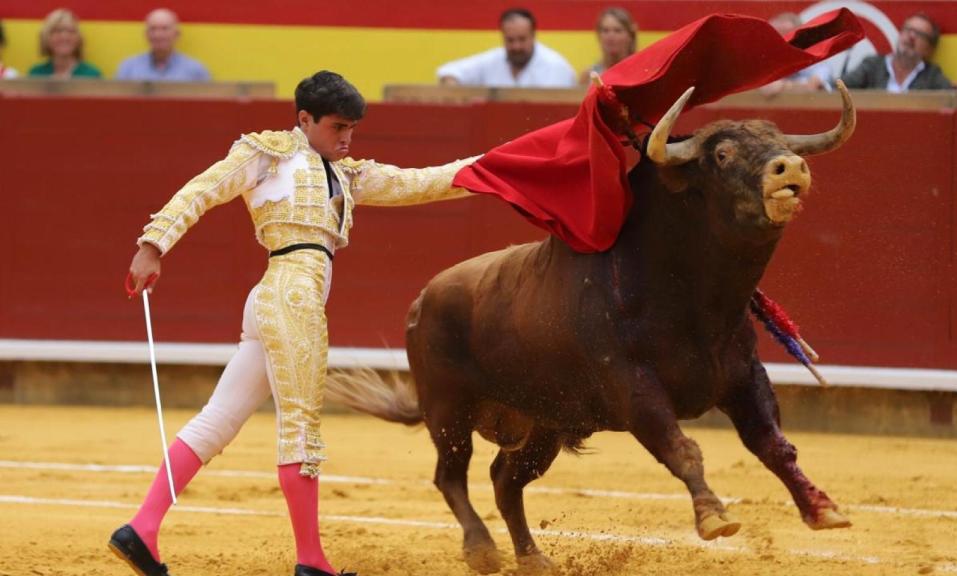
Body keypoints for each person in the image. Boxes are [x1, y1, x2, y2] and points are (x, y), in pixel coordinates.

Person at [109, 70, 478, 576]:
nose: (346, 139)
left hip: (275, 298)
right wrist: (153, 244)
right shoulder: (269, 154)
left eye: (352, 129)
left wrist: (495, 167)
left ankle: (142, 530)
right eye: (337, 127)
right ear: (305, 119)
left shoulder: (348, 175)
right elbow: (204, 189)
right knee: (300, 426)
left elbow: (422, 182)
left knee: (218, 420)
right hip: (293, 295)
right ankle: (311, 561)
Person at [437, 8, 576, 88]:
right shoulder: (493, 60)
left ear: (533, 36)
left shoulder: (556, 66)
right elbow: (449, 72)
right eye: (510, 40)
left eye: (522, 39)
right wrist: (455, 94)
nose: (516, 46)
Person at [840, 12, 957, 93]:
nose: (911, 36)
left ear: (929, 49)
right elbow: (839, 90)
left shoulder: (932, 76)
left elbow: (952, 97)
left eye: (920, 35)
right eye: (908, 30)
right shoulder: (873, 65)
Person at [115, 8, 211, 82]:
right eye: (153, 29)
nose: (158, 35)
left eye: (165, 29)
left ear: (177, 34)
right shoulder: (128, 68)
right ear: (146, 35)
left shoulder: (195, 70)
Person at [760, 12, 833, 94]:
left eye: (787, 37)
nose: (780, 45)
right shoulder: (759, 64)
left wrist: (783, 86)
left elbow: (812, 87)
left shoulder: (815, 63)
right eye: (775, 38)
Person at [28, 8, 102, 78]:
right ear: (46, 37)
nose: (64, 37)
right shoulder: (36, 74)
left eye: (71, 31)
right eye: (57, 31)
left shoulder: (92, 76)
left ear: (79, 39)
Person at [579, 7, 637, 84]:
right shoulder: (588, 76)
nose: (610, 36)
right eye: (605, 30)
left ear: (630, 36)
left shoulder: (640, 73)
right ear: (598, 35)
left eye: (617, 30)